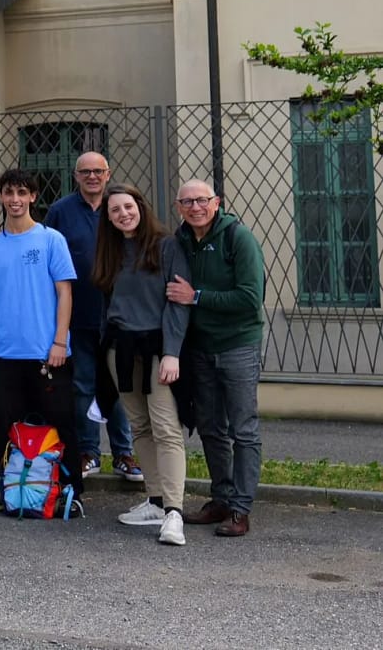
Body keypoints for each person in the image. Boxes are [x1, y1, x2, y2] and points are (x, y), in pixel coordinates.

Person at [92, 183, 192, 546]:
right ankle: (154, 499)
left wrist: (172, 352)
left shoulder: (166, 247)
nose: (123, 214)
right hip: (120, 349)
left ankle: (174, 513)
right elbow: (108, 305)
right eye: (115, 210)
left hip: (157, 347)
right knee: (140, 427)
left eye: (128, 207)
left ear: (141, 206)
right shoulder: (111, 251)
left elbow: (178, 304)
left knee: (166, 427)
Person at [0, 169, 82, 510]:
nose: (16, 199)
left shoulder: (51, 240)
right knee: (5, 427)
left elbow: (64, 293)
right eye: (9, 192)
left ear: (34, 197)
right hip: (7, 352)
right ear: (1, 197)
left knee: (61, 421)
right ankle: (7, 488)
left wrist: (60, 342)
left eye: (23, 192)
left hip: (46, 352)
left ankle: (68, 490)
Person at [167, 179, 266, 538]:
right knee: (210, 427)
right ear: (178, 207)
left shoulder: (237, 238)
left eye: (202, 200)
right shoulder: (179, 242)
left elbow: (249, 298)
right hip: (199, 347)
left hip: (238, 344)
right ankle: (221, 499)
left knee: (243, 429)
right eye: (187, 201)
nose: (195, 207)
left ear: (216, 202)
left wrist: (196, 297)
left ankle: (241, 509)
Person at [44, 151, 142, 483]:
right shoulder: (60, 212)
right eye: (85, 172)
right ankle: (88, 452)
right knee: (83, 386)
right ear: (76, 176)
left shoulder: (120, 206)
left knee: (119, 386)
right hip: (79, 316)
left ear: (108, 173)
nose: (92, 177)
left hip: (120, 318)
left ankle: (124, 454)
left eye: (98, 171)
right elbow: (49, 261)